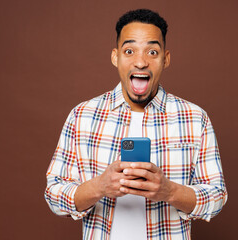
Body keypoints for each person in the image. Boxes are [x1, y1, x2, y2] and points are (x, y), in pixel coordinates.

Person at [45, 9, 227, 240]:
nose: (141, 62)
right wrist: (100, 186)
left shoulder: (194, 118)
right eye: (129, 51)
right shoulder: (82, 116)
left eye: (152, 52)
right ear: (115, 57)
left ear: (166, 59)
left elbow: (217, 198)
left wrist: (169, 191)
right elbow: (54, 195)